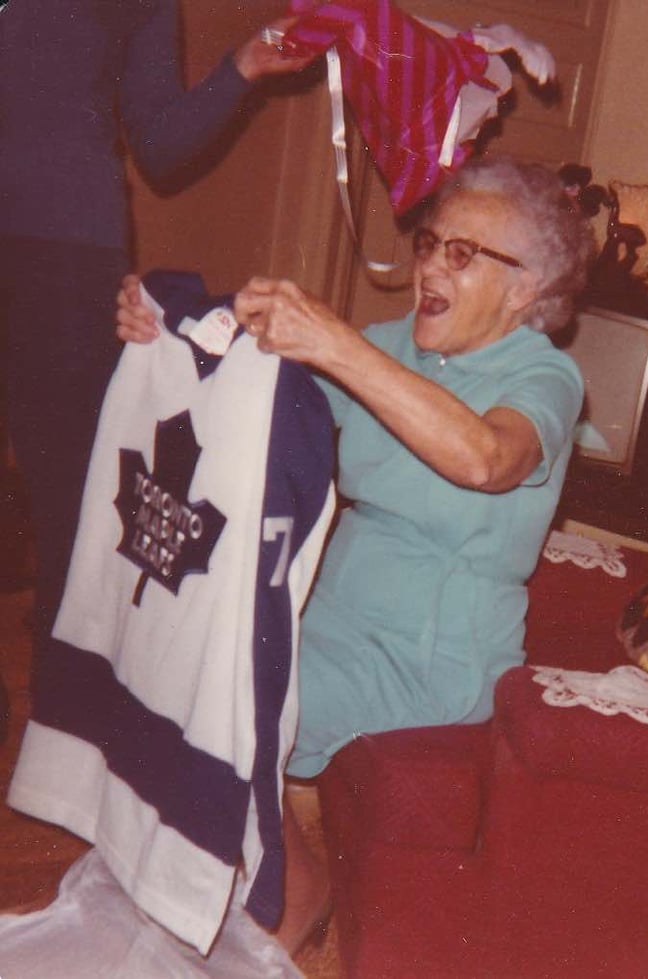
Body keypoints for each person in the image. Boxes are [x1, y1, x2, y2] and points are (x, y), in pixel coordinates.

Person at [116, 155, 596, 952]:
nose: (432, 265)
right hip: (329, 619)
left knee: (228, 694)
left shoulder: (547, 378)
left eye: (464, 253)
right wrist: (169, 325)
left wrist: (337, 346)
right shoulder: (393, 345)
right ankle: (271, 866)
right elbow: (243, 374)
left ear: (526, 290)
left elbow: (484, 458)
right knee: (175, 651)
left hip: (428, 657)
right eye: (431, 242)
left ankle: (296, 885)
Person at [0, 1, 316, 680]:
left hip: (67, 249)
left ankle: (59, 728)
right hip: (59, 238)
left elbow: (163, 150)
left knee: (68, 504)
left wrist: (247, 64)